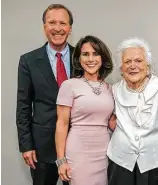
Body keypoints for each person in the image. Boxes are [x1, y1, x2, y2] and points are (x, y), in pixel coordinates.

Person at [107, 37, 158, 185]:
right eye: (127, 62)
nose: (132, 66)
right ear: (121, 68)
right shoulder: (114, 90)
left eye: (138, 61)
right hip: (120, 162)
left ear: (148, 65)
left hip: (152, 163)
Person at [16, 4, 74, 185]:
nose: (57, 28)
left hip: (76, 143)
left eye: (63, 23)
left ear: (70, 28)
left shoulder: (82, 57)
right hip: (42, 147)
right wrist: (27, 145)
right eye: (52, 23)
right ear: (44, 27)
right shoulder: (28, 61)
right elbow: (23, 106)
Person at [55, 35, 114, 185]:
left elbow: (111, 122)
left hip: (104, 152)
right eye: (85, 54)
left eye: (95, 54)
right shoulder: (69, 85)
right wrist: (61, 160)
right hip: (78, 152)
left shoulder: (110, 88)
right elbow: (61, 124)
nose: (90, 59)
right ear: (79, 59)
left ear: (102, 58)